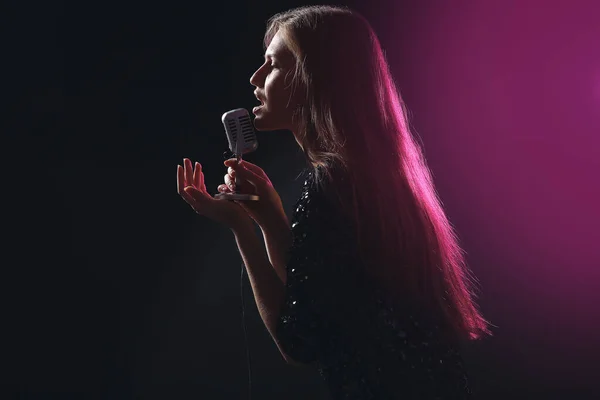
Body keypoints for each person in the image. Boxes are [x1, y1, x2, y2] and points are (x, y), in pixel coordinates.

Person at [177, 5, 490, 399]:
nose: (255, 78)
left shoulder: (335, 188)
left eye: (273, 65)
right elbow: (315, 298)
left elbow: (299, 340)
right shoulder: (368, 181)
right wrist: (269, 214)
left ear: (312, 79)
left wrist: (241, 227)